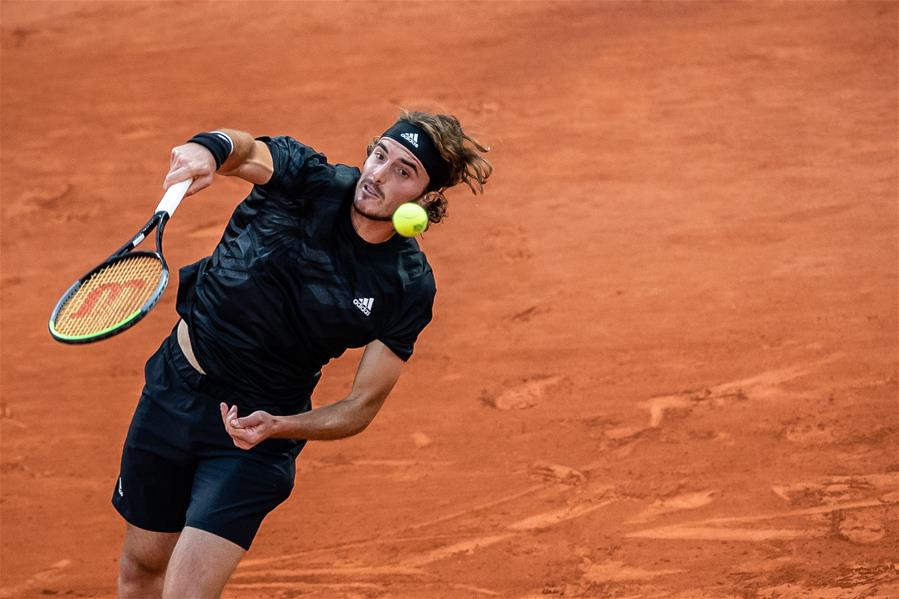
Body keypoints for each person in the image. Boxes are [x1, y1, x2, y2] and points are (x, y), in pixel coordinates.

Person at [112, 110, 492, 598]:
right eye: (380, 156)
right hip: (174, 390)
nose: (378, 175)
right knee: (141, 569)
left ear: (427, 198)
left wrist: (279, 426)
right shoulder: (307, 180)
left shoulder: (405, 285)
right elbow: (246, 151)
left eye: (404, 172)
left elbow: (360, 406)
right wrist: (208, 149)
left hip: (253, 435)